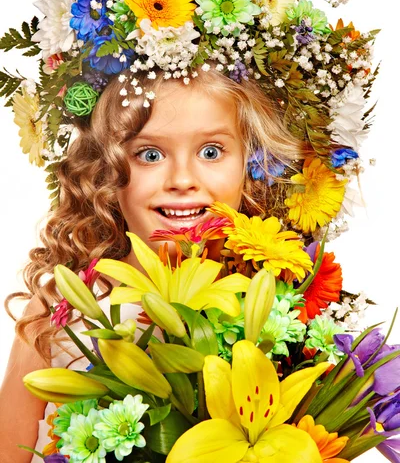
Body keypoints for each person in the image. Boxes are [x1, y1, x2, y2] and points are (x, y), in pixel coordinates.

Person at [0, 65, 305, 462]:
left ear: (252, 164)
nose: (181, 179)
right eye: (150, 154)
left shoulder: (280, 311)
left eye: (211, 151)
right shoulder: (61, 309)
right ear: (107, 170)